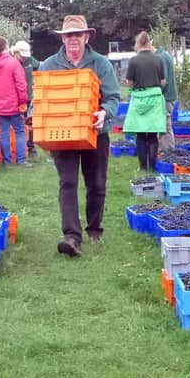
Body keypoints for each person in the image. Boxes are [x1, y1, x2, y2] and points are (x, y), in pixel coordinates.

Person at [40, 15, 120, 257]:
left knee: (96, 183)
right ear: (62, 38)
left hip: (96, 132)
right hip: (61, 133)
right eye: (68, 35)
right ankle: (72, 236)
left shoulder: (101, 64)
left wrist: (104, 113)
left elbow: (114, 96)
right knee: (68, 182)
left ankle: (94, 228)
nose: (73, 39)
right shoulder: (48, 65)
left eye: (78, 34)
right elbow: (40, 98)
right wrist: (35, 115)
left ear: (86, 37)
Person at [123, 31, 167, 172]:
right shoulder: (158, 59)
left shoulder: (133, 60)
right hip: (154, 99)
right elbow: (163, 81)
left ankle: (142, 167)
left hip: (139, 99)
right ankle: (153, 167)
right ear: (150, 43)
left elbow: (129, 82)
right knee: (153, 135)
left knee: (141, 136)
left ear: (137, 43)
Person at [0, 36, 29, 166]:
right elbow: (21, 85)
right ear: (7, 46)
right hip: (14, 105)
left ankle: (7, 161)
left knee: (4, 133)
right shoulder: (14, 63)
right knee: (20, 131)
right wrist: (23, 101)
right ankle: (21, 160)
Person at [10, 40, 40, 156]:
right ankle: (18, 149)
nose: (24, 58)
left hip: (29, 98)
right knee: (18, 125)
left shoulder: (30, 60)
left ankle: (31, 147)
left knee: (30, 122)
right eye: (22, 56)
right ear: (16, 53)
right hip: (15, 100)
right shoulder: (11, 63)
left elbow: (40, 67)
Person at [154, 46, 178, 150]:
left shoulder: (161, 58)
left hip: (166, 97)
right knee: (163, 124)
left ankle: (167, 151)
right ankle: (163, 150)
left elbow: (163, 81)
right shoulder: (163, 54)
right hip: (167, 96)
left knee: (164, 126)